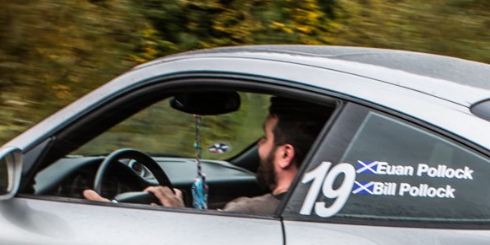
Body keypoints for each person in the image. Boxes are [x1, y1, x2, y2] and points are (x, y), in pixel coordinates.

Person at [83, 95, 330, 215]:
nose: (259, 146)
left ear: (285, 155)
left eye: (265, 138)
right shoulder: (328, 208)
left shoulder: (249, 214)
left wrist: (113, 214)